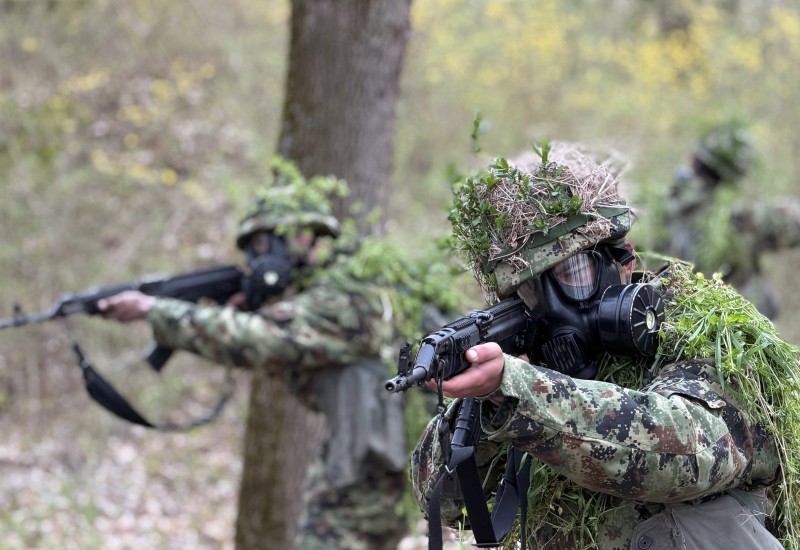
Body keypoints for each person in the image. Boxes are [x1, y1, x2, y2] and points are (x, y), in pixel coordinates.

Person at [409, 141, 800, 549]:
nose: (556, 306)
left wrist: (524, 391)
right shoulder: (530, 368)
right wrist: (489, 403)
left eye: (571, 272)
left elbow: (688, 453)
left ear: (623, 260)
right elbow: (437, 498)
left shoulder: (698, 327)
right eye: (530, 290)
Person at [98, 172, 461, 550]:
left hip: (373, 473)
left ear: (302, 235)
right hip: (391, 460)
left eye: (262, 243)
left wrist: (153, 311)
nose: (257, 258)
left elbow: (262, 339)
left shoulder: (345, 296)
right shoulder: (361, 280)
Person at [654, 122, 800, 320]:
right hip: (737, 333)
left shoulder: (662, 207)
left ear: (696, 160)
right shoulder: (739, 216)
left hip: (672, 328)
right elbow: (792, 222)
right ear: (733, 176)